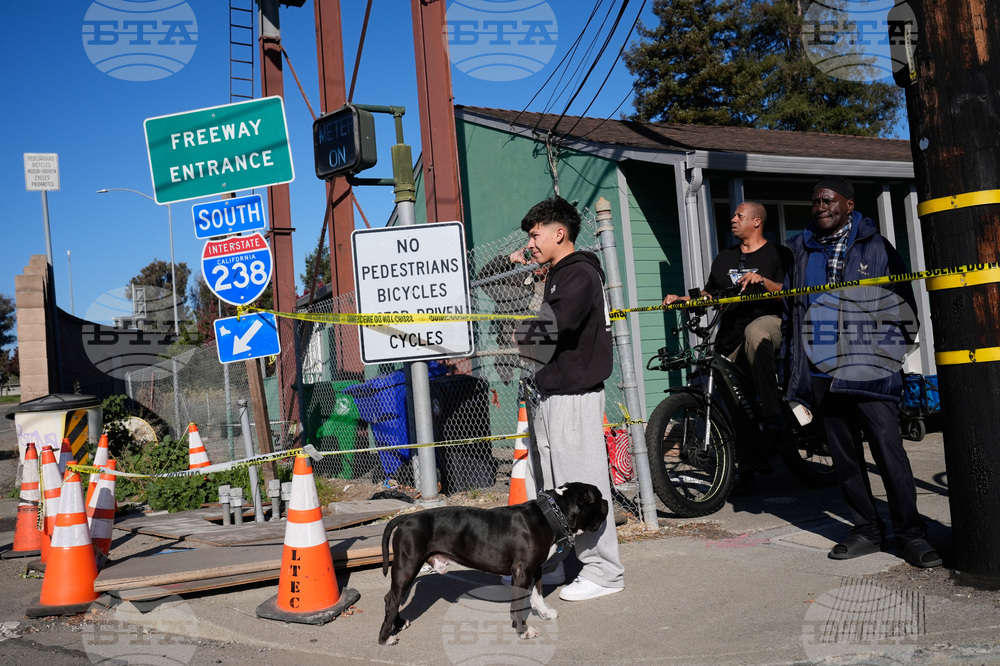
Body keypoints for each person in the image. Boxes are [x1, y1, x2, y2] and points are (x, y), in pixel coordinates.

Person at [781, 176, 940, 568]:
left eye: (829, 200)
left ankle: (910, 534)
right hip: (822, 370)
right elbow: (791, 314)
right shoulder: (799, 250)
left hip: (869, 368)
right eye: (815, 200)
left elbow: (906, 309)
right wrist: (793, 369)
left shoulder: (877, 247)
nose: (820, 206)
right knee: (845, 457)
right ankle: (866, 530)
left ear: (849, 205)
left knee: (889, 453)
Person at [515, 195, 625, 601]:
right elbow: (544, 336)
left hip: (574, 395)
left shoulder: (577, 274)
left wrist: (518, 338)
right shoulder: (559, 274)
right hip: (553, 393)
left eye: (535, 233)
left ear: (559, 232)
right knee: (555, 488)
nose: (531, 242)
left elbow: (550, 332)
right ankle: (559, 560)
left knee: (584, 486)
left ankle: (605, 572)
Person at [663, 202, 792, 477]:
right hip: (731, 336)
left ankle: (773, 416)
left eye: (739, 215)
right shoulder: (724, 258)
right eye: (733, 215)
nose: (732, 219)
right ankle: (747, 467)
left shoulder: (777, 254)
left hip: (772, 326)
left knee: (755, 332)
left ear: (756, 222)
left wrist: (763, 282)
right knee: (733, 402)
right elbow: (712, 294)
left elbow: (790, 293)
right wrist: (682, 299)